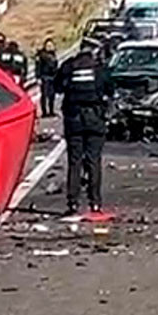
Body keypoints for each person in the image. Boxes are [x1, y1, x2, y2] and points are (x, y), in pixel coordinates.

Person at [54, 43, 112, 215]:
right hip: (95, 119)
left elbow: (57, 88)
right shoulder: (99, 69)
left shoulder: (68, 67)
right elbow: (110, 89)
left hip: (73, 119)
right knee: (94, 161)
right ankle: (95, 202)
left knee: (75, 161)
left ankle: (73, 202)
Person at [35, 38, 59, 117]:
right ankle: (44, 112)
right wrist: (38, 77)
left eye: (51, 45)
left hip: (53, 77)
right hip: (44, 77)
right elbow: (38, 67)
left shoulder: (53, 55)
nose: (49, 47)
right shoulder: (41, 55)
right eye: (48, 45)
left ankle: (51, 110)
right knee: (44, 95)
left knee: (52, 95)